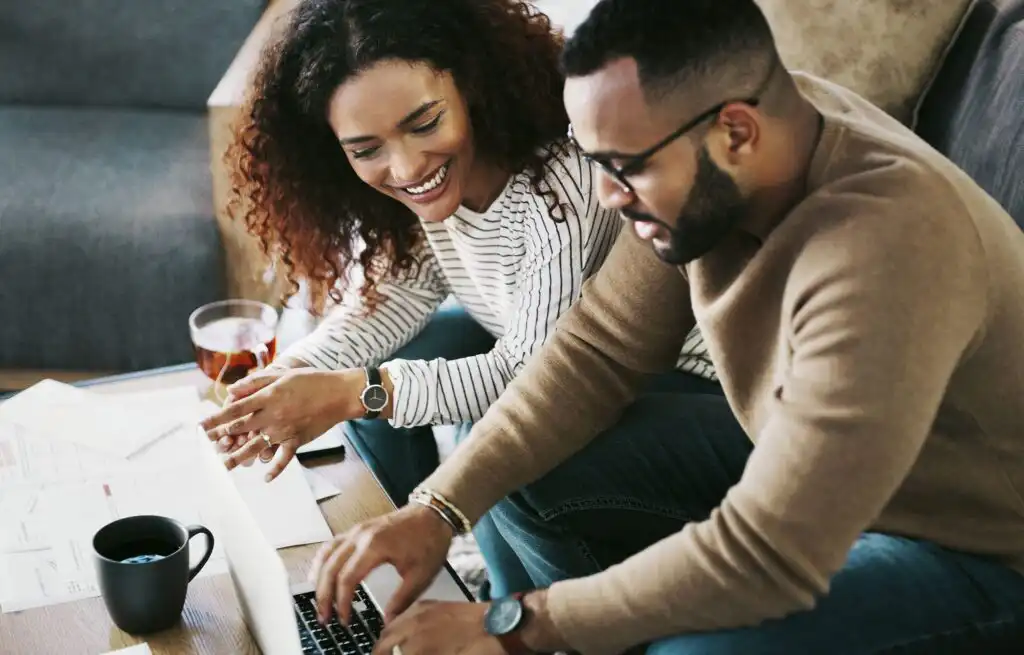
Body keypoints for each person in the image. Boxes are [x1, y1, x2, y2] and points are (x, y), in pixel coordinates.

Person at [299, 0, 1024, 653]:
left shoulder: (882, 248)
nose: (608, 198)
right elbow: (596, 350)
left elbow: (770, 551)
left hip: (973, 549)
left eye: (624, 169)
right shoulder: (735, 153)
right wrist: (436, 509)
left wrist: (516, 623)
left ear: (735, 132)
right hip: (809, 460)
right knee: (522, 466)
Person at [199, 0, 719, 600]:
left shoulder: (564, 189)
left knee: (502, 448)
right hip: (563, 369)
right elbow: (389, 298)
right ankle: (415, 577)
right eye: (366, 149)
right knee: (424, 342)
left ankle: (560, 623)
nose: (406, 165)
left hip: (682, 382)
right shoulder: (429, 194)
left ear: (470, 80)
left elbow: (537, 384)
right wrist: (288, 375)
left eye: (424, 124)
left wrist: (353, 393)